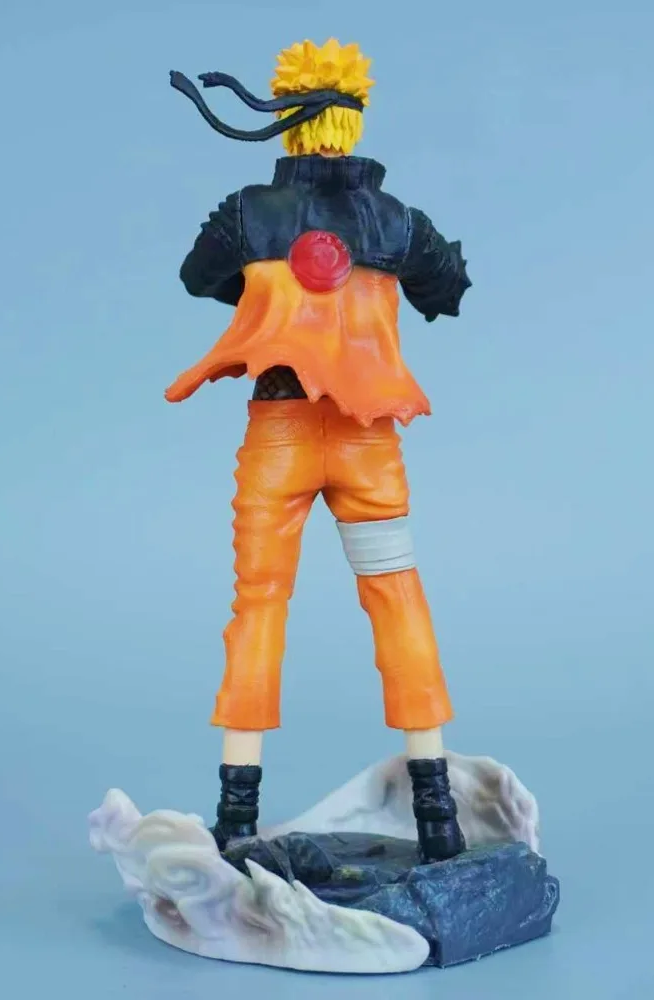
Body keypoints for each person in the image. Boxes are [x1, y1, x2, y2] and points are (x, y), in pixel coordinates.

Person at [165, 39, 472, 863]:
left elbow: (199, 276)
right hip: (369, 445)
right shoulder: (399, 221)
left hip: (280, 438)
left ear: (288, 121)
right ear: (352, 119)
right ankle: (438, 818)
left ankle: (236, 820)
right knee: (397, 595)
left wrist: (267, 288)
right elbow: (448, 285)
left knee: (259, 604)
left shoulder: (247, 213)